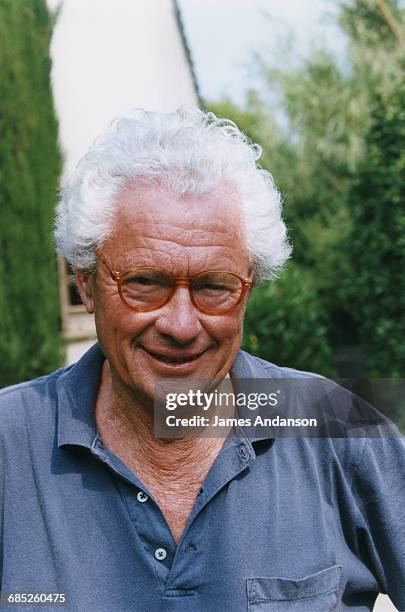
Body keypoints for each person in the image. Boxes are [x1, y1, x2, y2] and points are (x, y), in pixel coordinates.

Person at [0, 107, 404, 611]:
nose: (182, 325)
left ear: (249, 287)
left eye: (215, 286)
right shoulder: (10, 443)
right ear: (85, 282)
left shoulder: (334, 426)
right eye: (145, 283)